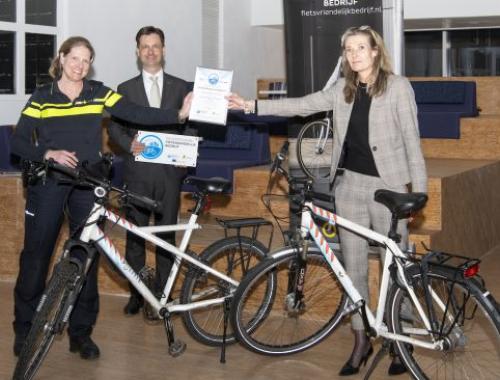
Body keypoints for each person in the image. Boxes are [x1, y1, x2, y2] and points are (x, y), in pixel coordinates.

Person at [228, 25, 427, 376]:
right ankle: (361, 339)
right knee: (353, 269)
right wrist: (249, 104)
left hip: (390, 189)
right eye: (349, 49)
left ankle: (400, 340)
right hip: (348, 186)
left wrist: (418, 193)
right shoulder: (343, 90)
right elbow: (301, 105)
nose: (354, 55)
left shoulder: (397, 87)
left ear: (376, 51)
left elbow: (413, 142)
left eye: (361, 48)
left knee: (395, 267)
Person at [10, 36, 192, 360]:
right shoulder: (43, 96)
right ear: (62, 59)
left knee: (86, 260)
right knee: (36, 258)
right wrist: (47, 152)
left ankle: (81, 334)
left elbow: (136, 112)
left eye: (86, 60)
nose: (80, 66)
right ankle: (25, 330)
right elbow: (19, 142)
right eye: (75, 58)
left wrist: (178, 115)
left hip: (88, 182)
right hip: (51, 182)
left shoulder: (98, 92)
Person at [108, 26, 192, 318]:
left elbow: (191, 126)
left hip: (170, 175)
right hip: (138, 174)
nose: (151, 51)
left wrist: (187, 158)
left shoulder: (182, 87)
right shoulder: (125, 89)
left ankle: (164, 296)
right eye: (145, 46)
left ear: (164, 50)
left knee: (166, 236)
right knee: (135, 237)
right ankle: (137, 294)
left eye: (156, 46)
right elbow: (114, 127)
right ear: (137, 51)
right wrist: (128, 144)